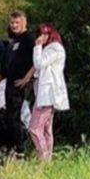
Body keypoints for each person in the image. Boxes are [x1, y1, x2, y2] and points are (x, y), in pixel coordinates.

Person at [29, 23, 69, 162]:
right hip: (45, 94)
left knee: (35, 128)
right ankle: (47, 159)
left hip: (47, 95)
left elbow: (39, 63)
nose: (41, 37)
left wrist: (37, 47)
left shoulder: (54, 48)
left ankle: (44, 159)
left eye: (44, 34)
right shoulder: (53, 48)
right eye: (40, 34)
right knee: (46, 129)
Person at [2, 11, 37, 158]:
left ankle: (20, 149)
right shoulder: (13, 41)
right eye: (12, 23)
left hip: (21, 85)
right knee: (9, 117)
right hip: (9, 83)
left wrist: (27, 78)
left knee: (14, 116)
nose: (14, 25)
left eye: (17, 23)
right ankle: (10, 149)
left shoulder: (28, 38)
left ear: (24, 23)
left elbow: (38, 59)